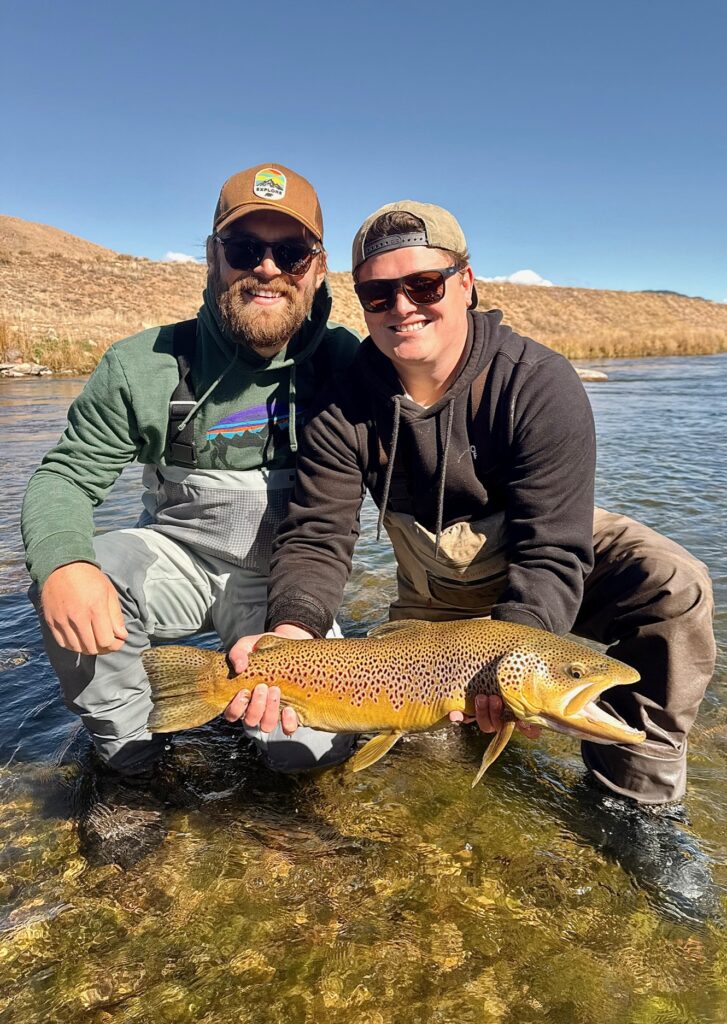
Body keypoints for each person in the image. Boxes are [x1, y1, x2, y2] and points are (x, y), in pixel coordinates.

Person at [227, 201, 718, 919]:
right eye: (378, 293)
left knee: (675, 585)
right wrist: (292, 634)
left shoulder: (537, 382)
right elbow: (317, 536)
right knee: (429, 764)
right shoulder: (344, 401)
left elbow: (553, 549)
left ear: (466, 283)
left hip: (540, 558)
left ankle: (639, 809)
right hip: (435, 598)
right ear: (362, 302)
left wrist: (510, 660)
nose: (402, 306)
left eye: (424, 285)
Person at [21, 163, 361, 860]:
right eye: (244, 249)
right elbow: (64, 477)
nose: (266, 268)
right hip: (178, 561)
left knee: (310, 753)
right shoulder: (144, 364)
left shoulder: (345, 363)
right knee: (92, 573)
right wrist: (62, 562)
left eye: (289, 252)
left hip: (285, 585)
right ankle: (130, 764)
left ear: (317, 268)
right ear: (213, 257)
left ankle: (253, 734)